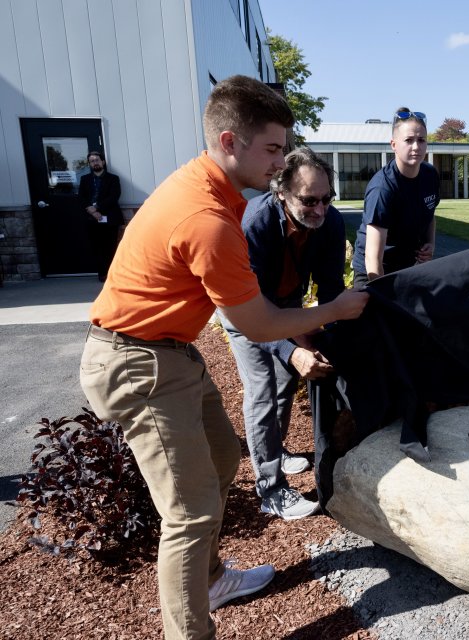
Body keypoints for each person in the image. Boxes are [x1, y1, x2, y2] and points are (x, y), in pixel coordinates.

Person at [78, 75, 368, 640]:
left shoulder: (211, 189)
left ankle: (211, 579)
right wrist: (332, 313)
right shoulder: (208, 219)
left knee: (219, 457)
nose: (280, 162)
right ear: (230, 141)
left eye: (284, 148)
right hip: (137, 363)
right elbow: (254, 322)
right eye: (273, 149)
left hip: (171, 352)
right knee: (189, 513)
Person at [218, 147, 346, 521]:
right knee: (262, 390)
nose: (320, 210)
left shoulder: (330, 223)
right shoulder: (254, 224)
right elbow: (253, 311)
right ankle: (270, 488)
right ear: (280, 192)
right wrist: (292, 349)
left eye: (326, 199)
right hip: (243, 310)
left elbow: (331, 290)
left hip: (284, 305)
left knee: (286, 382)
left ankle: (279, 449)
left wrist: (328, 339)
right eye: (309, 201)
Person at [352, 108, 439, 286]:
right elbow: (373, 260)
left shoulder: (430, 175)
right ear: (393, 145)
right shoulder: (382, 189)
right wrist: (385, 298)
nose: (416, 147)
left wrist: (430, 243)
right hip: (375, 271)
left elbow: (430, 213)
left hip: (408, 265)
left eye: (421, 140)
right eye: (408, 140)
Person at [78, 150, 123, 281]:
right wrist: (92, 212)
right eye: (92, 161)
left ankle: (112, 274)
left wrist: (97, 208)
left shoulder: (113, 179)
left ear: (102, 162)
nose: (95, 163)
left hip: (110, 217)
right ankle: (102, 274)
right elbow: (82, 197)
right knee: (96, 246)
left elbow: (114, 197)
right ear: (89, 164)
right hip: (91, 218)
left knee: (110, 246)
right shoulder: (84, 179)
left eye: (97, 160)